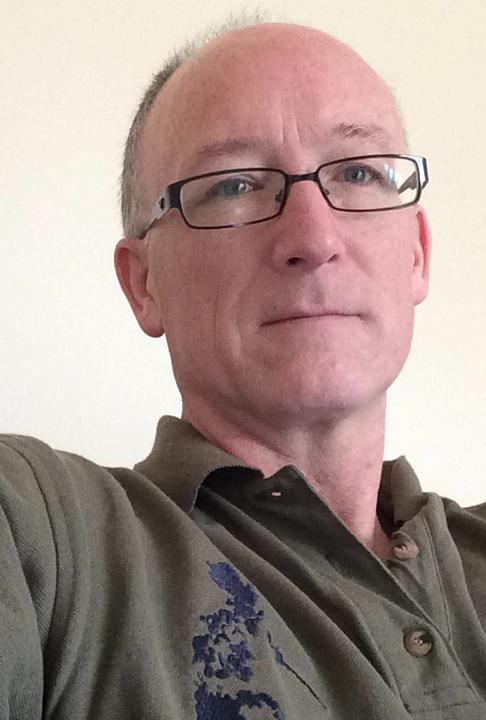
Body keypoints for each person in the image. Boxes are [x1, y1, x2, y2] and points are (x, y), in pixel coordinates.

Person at [1, 18, 486, 720]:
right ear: (144, 283)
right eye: (233, 186)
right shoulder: (45, 537)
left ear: (417, 253)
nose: (314, 237)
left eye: (357, 172)